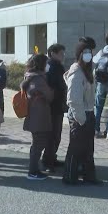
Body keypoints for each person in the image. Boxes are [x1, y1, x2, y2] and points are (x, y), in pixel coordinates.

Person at [62, 37, 103, 185]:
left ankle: (89, 176)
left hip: (88, 113)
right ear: (79, 54)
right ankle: (69, 177)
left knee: (88, 148)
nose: (88, 54)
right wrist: (81, 119)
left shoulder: (86, 70)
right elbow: (73, 99)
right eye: (84, 52)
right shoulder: (77, 72)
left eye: (89, 52)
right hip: (80, 115)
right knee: (76, 148)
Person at [20, 54, 54, 180]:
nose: (48, 65)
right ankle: (33, 171)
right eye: (47, 63)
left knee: (36, 144)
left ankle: (34, 169)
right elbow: (49, 96)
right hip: (39, 116)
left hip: (35, 115)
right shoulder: (38, 79)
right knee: (38, 144)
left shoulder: (30, 76)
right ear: (41, 64)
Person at [41, 43, 67, 173]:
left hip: (55, 105)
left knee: (55, 134)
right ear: (52, 53)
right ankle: (48, 161)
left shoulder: (53, 66)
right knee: (53, 134)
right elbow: (55, 86)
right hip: (54, 105)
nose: (63, 56)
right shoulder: (52, 67)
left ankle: (51, 157)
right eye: (61, 53)